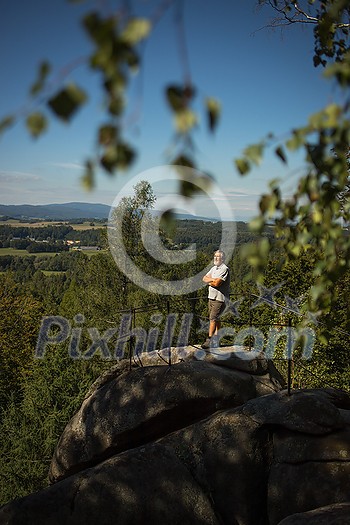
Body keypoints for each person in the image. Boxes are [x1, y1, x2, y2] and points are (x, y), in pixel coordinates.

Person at [201, 250, 230, 349]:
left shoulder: (224, 269)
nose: (216, 258)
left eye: (218, 257)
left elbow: (217, 284)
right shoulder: (214, 268)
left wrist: (211, 281)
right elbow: (204, 278)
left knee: (212, 318)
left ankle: (209, 340)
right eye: (215, 256)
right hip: (211, 297)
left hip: (219, 298)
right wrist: (212, 280)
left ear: (222, 259)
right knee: (216, 319)